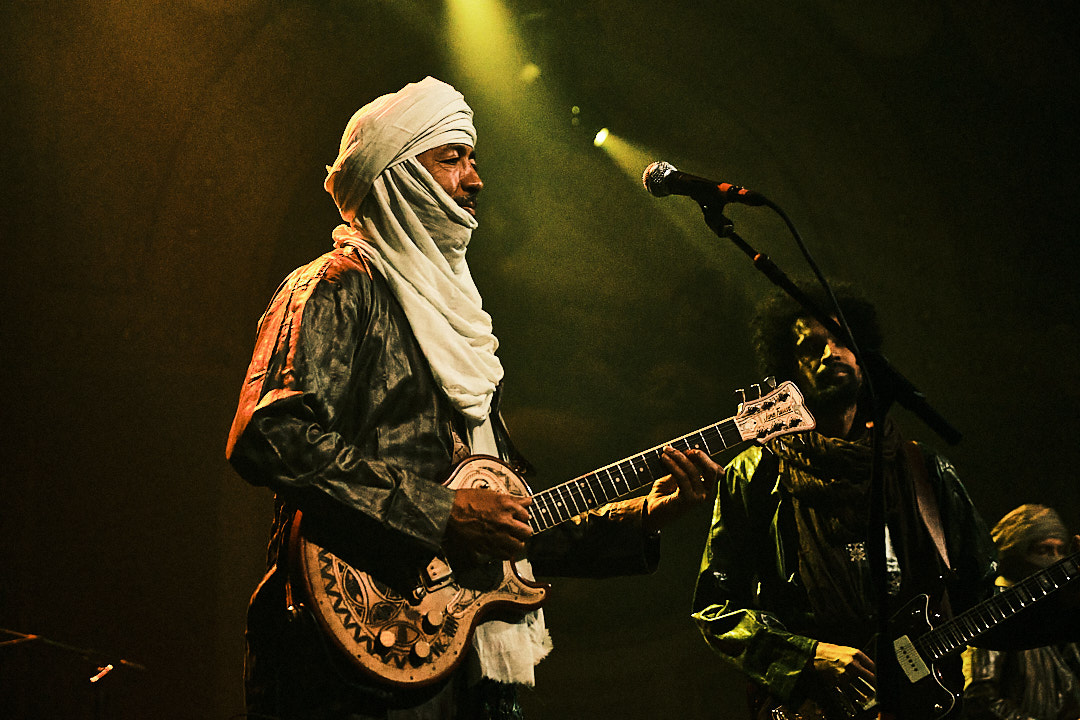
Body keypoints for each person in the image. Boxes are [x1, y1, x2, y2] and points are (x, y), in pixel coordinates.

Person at [225, 76, 720, 720]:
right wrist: (439, 513)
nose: (476, 178)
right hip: (352, 665)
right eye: (452, 157)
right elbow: (270, 435)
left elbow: (510, 525)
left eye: (474, 158)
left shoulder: (459, 331)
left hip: (464, 674)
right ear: (399, 177)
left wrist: (644, 515)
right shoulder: (335, 287)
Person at [690, 285, 1078, 720]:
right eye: (811, 346)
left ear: (865, 354)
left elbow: (982, 601)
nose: (831, 353)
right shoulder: (754, 474)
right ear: (789, 368)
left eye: (843, 340)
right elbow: (715, 607)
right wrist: (808, 655)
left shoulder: (923, 470)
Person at [962, 504, 1080, 720]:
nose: (1054, 560)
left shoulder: (1051, 612)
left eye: (1060, 551)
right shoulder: (997, 609)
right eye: (1043, 550)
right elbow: (980, 699)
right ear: (1016, 552)